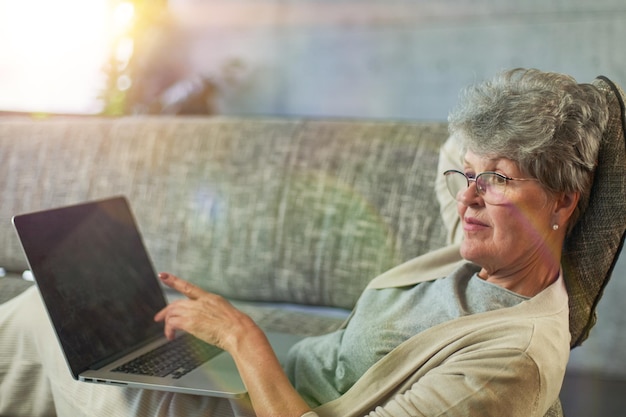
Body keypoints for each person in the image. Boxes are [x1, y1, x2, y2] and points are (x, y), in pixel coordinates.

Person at [0, 68, 609, 417]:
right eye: (468, 176)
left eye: (498, 179)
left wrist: (240, 337)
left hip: (269, 403)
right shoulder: (494, 249)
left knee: (64, 332)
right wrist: (589, 116)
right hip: (265, 373)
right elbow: (460, 148)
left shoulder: (508, 365)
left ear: (564, 199)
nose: (468, 197)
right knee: (53, 308)